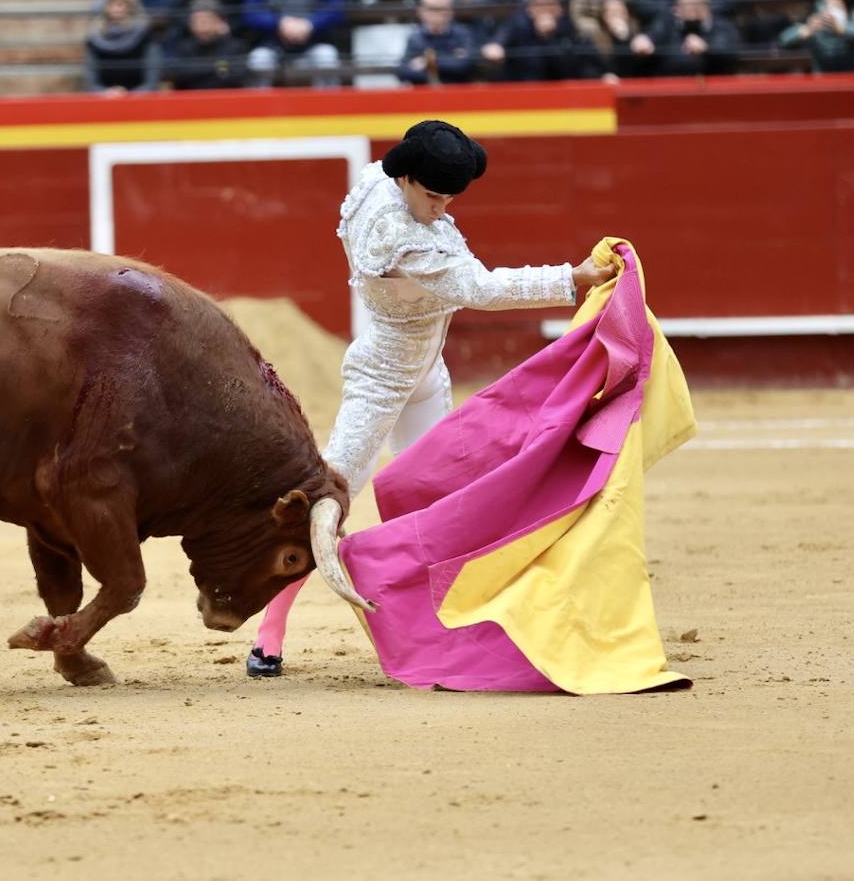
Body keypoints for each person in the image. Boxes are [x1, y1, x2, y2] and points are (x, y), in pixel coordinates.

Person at [245, 120, 616, 678]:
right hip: (381, 377)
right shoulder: (400, 237)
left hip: (425, 372)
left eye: (451, 198)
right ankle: (267, 635)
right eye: (434, 195)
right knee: (325, 504)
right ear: (408, 178)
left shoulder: (379, 177)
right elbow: (480, 289)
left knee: (446, 499)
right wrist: (574, 276)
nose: (442, 209)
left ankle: (448, 619)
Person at [481, 0, 603, 80]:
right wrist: (496, 45)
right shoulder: (519, 23)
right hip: (525, 90)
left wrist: (548, 38)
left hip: (562, 91)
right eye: (539, 5)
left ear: (559, 9)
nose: (545, 10)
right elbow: (501, 37)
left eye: (550, 5)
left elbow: (574, 69)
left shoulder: (569, 27)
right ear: (529, 9)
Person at [630, 0, 738, 75]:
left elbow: (726, 50)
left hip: (711, 85)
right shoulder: (666, 21)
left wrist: (706, 48)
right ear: (676, 9)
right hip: (669, 84)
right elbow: (654, 34)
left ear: (707, 7)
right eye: (687, 6)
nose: (692, 11)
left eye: (697, 6)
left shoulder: (722, 25)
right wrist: (644, 40)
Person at [85, 0, 162, 93]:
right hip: (105, 99)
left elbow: (151, 80)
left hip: (139, 99)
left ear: (131, 7)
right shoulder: (95, 40)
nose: (115, 9)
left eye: (120, 5)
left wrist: (130, 95)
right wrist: (107, 93)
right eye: (111, 5)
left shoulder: (145, 37)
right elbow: (91, 81)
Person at [396, 0, 478, 84]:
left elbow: (464, 66)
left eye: (440, 8)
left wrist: (428, 61)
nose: (436, 14)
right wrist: (449, 60)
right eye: (431, 8)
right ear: (421, 11)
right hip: (425, 95)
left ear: (450, 11)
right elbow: (403, 71)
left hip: (457, 94)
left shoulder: (463, 33)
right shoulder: (416, 37)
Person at [164, 0, 248, 88]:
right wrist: (217, 67)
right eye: (196, 22)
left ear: (220, 22)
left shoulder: (235, 47)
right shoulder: (183, 48)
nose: (201, 28)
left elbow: (236, 78)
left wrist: (196, 70)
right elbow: (177, 75)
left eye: (206, 21)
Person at [779, 0, 854, 72]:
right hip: (822, 79)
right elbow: (783, 40)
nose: (833, 12)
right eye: (829, 7)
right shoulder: (815, 29)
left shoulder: (849, 25)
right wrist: (807, 30)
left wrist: (842, 30)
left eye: (838, 6)